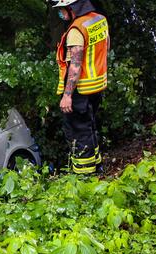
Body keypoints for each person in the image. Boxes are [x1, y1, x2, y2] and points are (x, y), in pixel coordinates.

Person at [52, 0, 109, 174]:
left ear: (72, 7)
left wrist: (67, 95)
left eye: (62, 9)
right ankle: (97, 167)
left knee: (78, 132)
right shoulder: (100, 20)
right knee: (89, 126)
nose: (61, 13)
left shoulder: (76, 30)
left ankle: (85, 175)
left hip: (80, 90)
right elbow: (106, 48)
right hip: (97, 85)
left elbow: (75, 66)